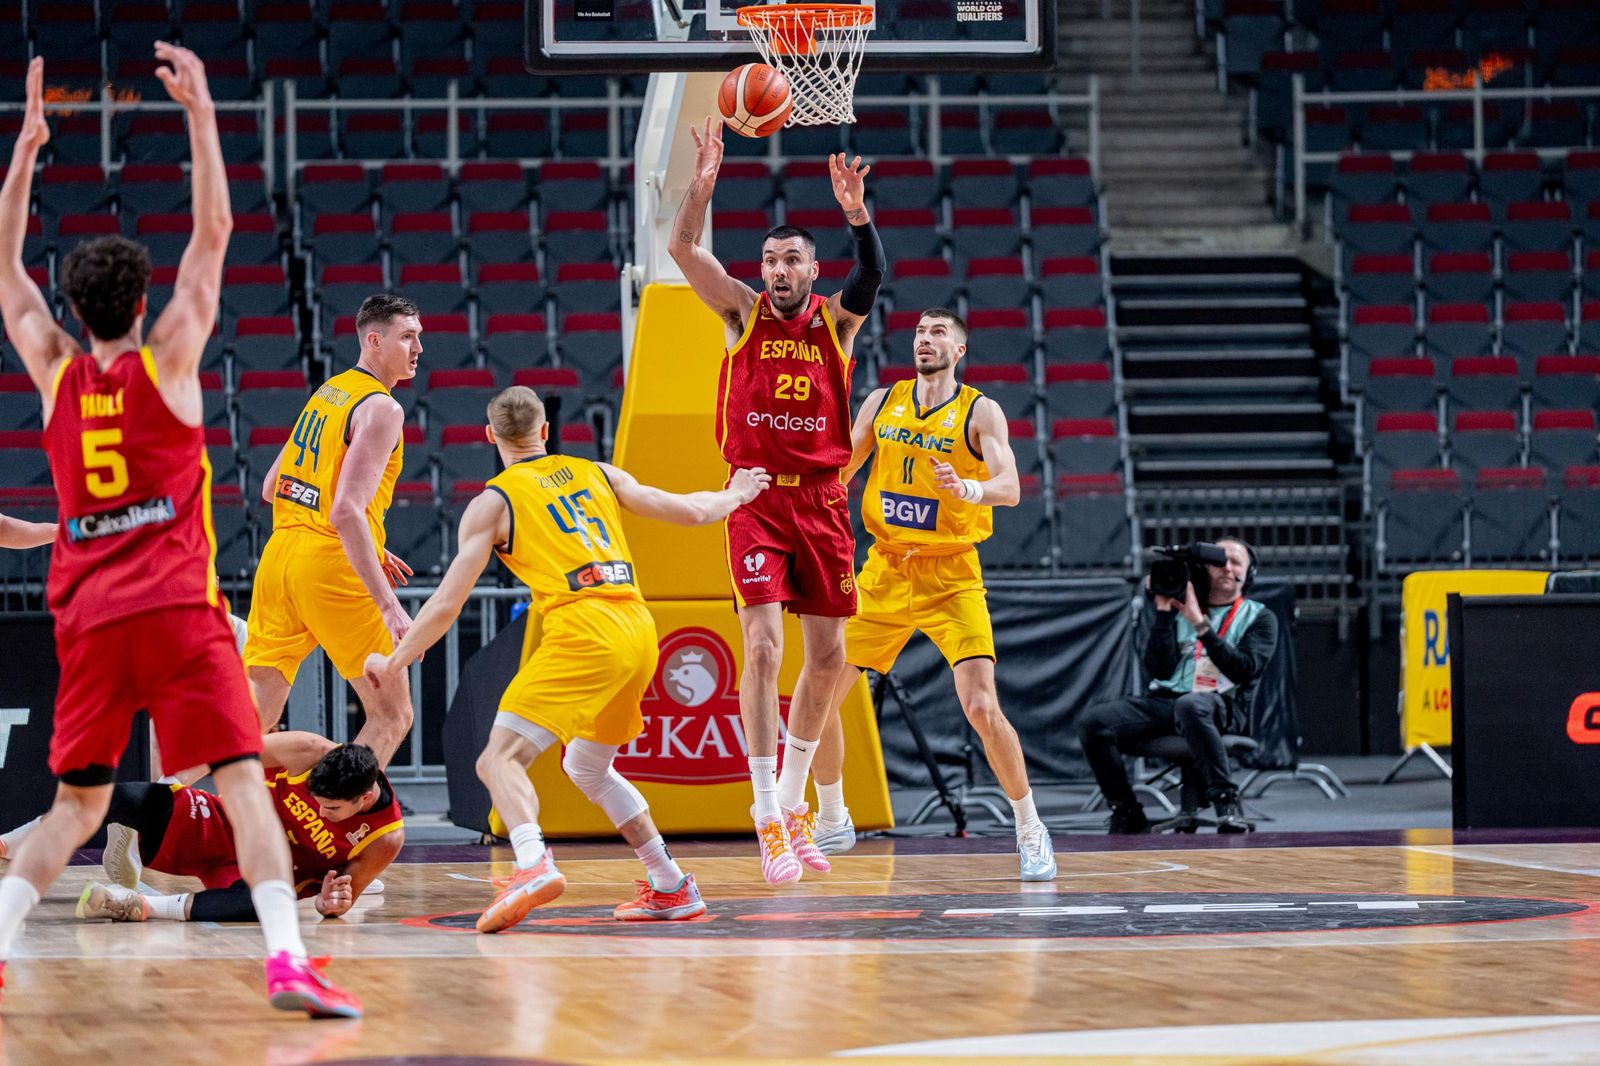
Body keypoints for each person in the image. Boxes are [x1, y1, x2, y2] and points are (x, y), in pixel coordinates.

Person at [0, 49, 359, 1018]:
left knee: (76, 805)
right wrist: (201, 111)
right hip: (176, 607)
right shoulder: (170, 359)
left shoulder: (53, 369)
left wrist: (27, 148)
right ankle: (287, 960)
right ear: (143, 302)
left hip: (87, 616)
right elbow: (215, 230)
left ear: (73, 311)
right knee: (244, 781)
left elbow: (4, 269)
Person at [364, 386, 770, 932]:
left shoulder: (493, 503)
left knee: (496, 761)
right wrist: (739, 493)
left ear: (489, 437)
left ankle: (532, 864)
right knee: (586, 765)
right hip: (637, 627)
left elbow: (445, 604)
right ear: (546, 432)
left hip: (584, 629)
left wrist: (395, 661)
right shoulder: (597, 472)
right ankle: (671, 884)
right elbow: (691, 510)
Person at [668, 119, 885, 884]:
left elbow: (871, 277)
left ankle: (794, 803)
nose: (777, 269)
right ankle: (765, 810)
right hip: (756, 496)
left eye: (791, 258)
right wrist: (703, 181)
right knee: (762, 649)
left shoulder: (837, 321)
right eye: (768, 258)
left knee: (828, 660)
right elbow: (683, 252)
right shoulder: (740, 313)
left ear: (811, 268)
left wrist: (857, 214)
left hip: (822, 500)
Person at [804, 309, 1056, 880]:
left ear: (959, 350)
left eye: (938, 332)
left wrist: (964, 486)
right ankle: (834, 815)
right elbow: (840, 468)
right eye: (920, 332)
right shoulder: (881, 402)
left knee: (981, 708)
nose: (925, 339)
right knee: (814, 694)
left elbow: (1011, 487)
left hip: (950, 574)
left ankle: (1029, 826)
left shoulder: (979, 410)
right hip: (885, 570)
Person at [243, 293, 421, 766]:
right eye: (407, 336)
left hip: (279, 558)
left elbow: (270, 487)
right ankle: (337, 827)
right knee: (393, 715)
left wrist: (372, 544)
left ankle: (154, 802)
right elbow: (345, 512)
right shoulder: (383, 408)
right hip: (328, 563)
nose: (418, 347)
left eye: (418, 336)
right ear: (374, 340)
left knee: (247, 718)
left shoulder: (329, 392)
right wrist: (390, 607)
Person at [3, 733, 402, 925]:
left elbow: (340, 899)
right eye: (315, 798)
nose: (318, 809)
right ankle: (9, 843)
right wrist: (171, 786)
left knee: (261, 906)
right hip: (221, 824)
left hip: (259, 873)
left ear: (365, 799)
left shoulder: (384, 838)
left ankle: (137, 906)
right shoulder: (309, 751)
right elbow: (223, 751)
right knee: (118, 797)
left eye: (330, 808)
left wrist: (329, 903)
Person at [1077, 538, 1280, 834]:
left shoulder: (1259, 617)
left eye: (1236, 562)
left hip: (1221, 705)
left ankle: (1226, 801)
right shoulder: (1179, 608)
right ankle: (1126, 810)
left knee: (1191, 705)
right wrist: (1162, 614)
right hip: (1168, 702)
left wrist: (1201, 624)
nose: (1226, 567)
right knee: (1093, 722)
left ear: (1249, 574)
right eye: (1219, 561)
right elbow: (1158, 669)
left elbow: (1244, 670)